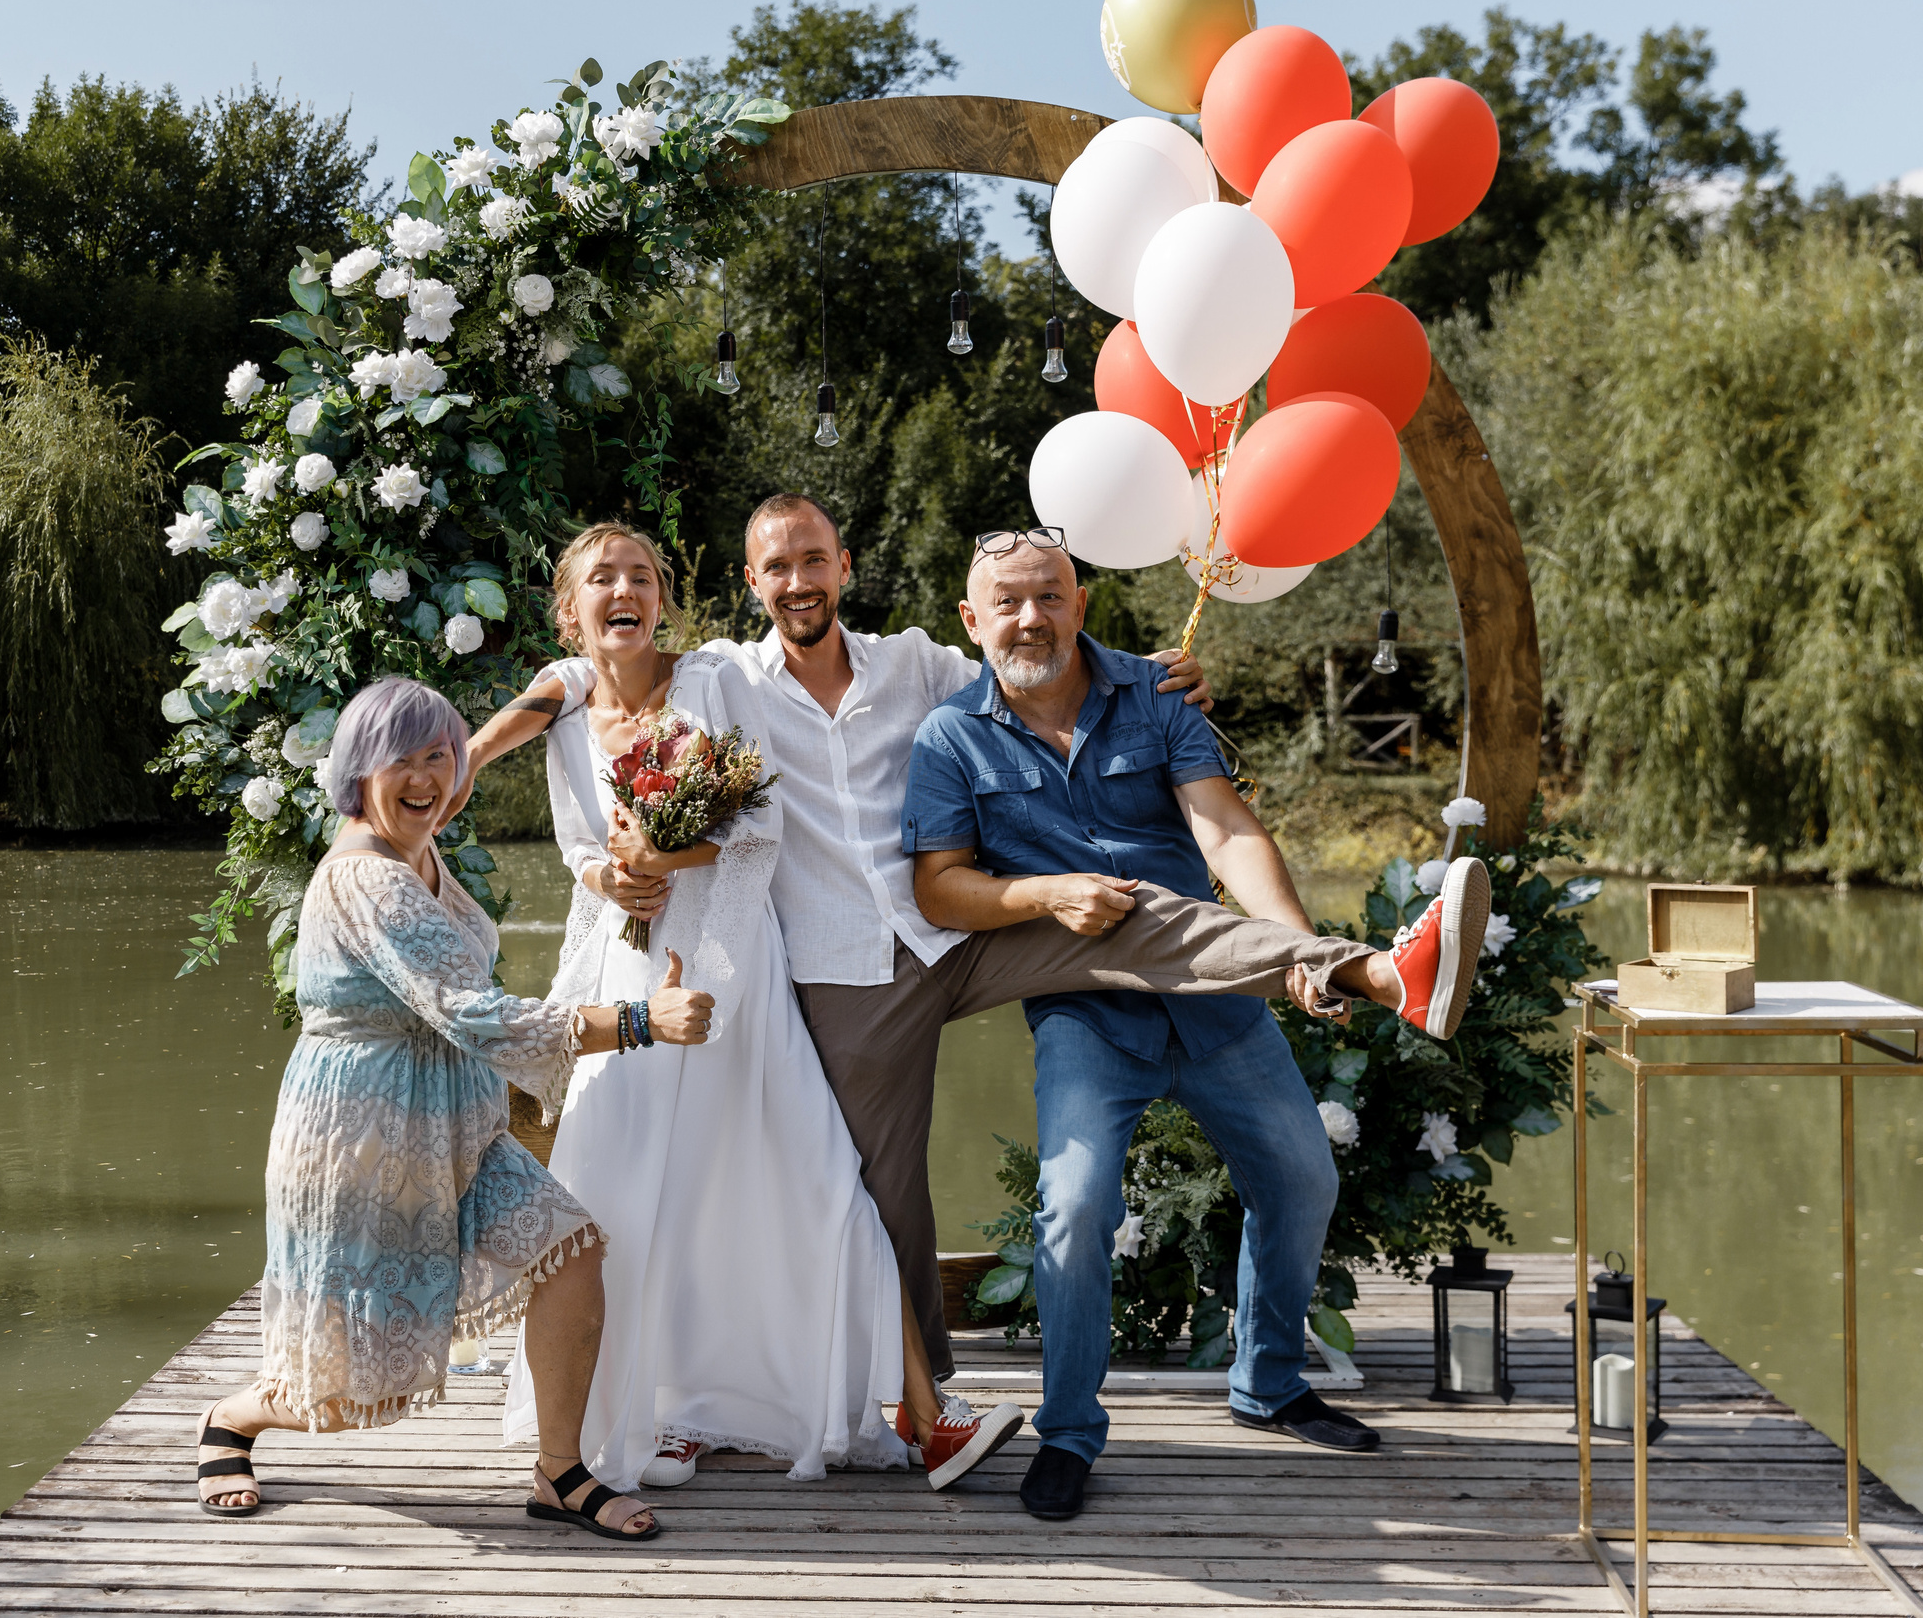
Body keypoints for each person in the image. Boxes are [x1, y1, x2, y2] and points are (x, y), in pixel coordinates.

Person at [478, 493, 1485, 1509]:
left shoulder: (921, 664)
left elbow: (1038, 653)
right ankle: (934, 1412)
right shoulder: (726, 680)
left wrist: (1154, 675)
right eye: (776, 567)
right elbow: (582, 679)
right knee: (877, 1192)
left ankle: (1357, 968)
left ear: (845, 564)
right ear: (751, 585)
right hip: (843, 968)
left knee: (1137, 918)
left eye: (814, 560)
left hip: (963, 928)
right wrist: (486, 762)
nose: (797, 582)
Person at [905, 528, 1491, 1520]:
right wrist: (1044, 894)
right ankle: (1068, 1430)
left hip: (1214, 996)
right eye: (1005, 601)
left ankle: (1267, 1383)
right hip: (1088, 1012)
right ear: (971, 621)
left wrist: (1292, 954)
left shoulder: (1154, 693)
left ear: (1079, 602)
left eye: (1047, 595)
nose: (1028, 617)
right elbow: (939, 889)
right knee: (1076, 1208)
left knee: (1303, 1177)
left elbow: (1225, 829)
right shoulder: (948, 738)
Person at [477, 524, 966, 1493]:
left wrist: (664, 856)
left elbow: (761, 822)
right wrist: (609, 879)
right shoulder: (565, 705)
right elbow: (577, 841)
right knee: (621, 1191)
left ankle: (920, 1408)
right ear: (571, 611)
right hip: (630, 981)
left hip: (737, 967)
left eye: (643, 577)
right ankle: (639, 1409)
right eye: (603, 579)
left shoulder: (711, 680)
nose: (626, 589)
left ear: (663, 599)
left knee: (814, 1179)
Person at [193, 676, 716, 1543]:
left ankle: (560, 1471)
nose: (427, 775)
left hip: (459, 1127)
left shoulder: (422, 850)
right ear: (360, 768)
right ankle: (234, 1417)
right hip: (365, 1137)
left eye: (440, 754)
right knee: (346, 1385)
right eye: (403, 757)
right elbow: (472, 1012)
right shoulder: (368, 878)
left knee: (569, 1249)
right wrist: (636, 1021)